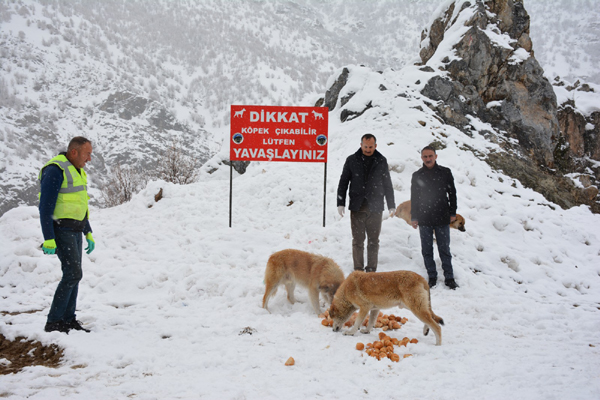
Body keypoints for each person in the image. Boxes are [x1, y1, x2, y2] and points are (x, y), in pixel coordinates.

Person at [39, 136, 95, 333]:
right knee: (72, 273)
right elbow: (45, 206)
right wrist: (48, 237)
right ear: (74, 152)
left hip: (76, 229)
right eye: (87, 154)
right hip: (62, 229)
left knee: (74, 275)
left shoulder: (77, 171)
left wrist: (88, 231)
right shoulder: (55, 170)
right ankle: (54, 322)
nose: (89, 159)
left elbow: (79, 205)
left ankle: (68, 320)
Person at [337, 134, 395, 272]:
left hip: (376, 207)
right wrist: (341, 202)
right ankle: (358, 269)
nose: (368, 149)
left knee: (373, 241)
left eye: (370, 147)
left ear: (375, 145)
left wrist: (391, 204)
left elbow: (387, 184)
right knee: (358, 240)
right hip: (357, 206)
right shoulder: (351, 160)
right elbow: (343, 182)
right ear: (361, 144)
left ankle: (371, 269)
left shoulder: (381, 160)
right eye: (365, 146)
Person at [410, 146, 459, 290]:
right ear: (421, 158)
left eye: (430, 156)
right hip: (424, 218)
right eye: (425, 156)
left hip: (442, 217)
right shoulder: (417, 175)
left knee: (444, 249)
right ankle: (432, 277)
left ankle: (449, 278)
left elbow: (452, 194)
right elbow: (415, 197)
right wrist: (414, 216)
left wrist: (452, 212)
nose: (428, 159)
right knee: (427, 250)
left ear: (436, 156)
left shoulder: (445, 172)